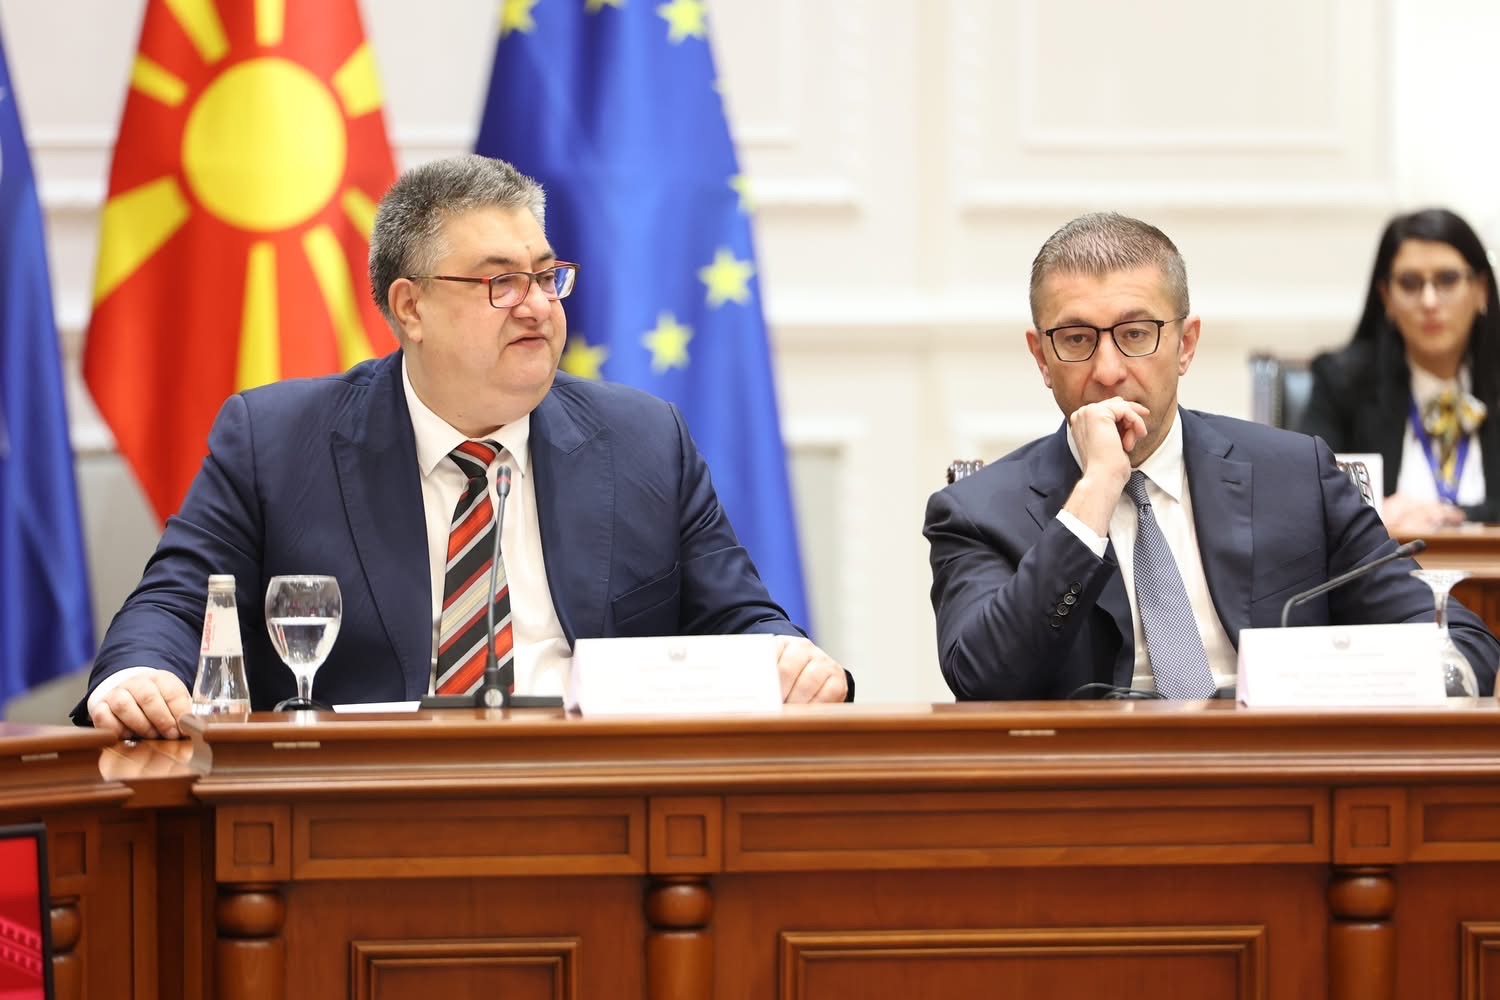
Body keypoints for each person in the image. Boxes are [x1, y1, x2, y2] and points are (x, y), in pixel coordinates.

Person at [79, 154, 847, 739]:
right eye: (500, 283)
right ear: (410, 308)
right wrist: (141, 674)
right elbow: (175, 602)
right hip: (362, 817)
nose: (537, 306)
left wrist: (787, 654)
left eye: (546, 277)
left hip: (598, 809)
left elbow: (741, 619)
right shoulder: (277, 441)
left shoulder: (644, 441)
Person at [925, 212, 1499, 701]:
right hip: (1089, 785)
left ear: (1186, 344)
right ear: (1041, 357)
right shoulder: (978, 512)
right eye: (1076, 339)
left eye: (1136, 333)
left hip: (1278, 774)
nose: (1108, 370)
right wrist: (1094, 492)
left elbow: (1459, 642)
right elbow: (983, 682)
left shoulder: (1295, 477)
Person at [1299, 208, 1500, 534]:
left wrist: (1451, 515)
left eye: (1448, 279)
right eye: (1410, 283)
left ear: (1481, 289)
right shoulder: (1343, 383)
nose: (1429, 301)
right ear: (1386, 298)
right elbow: (1304, 496)